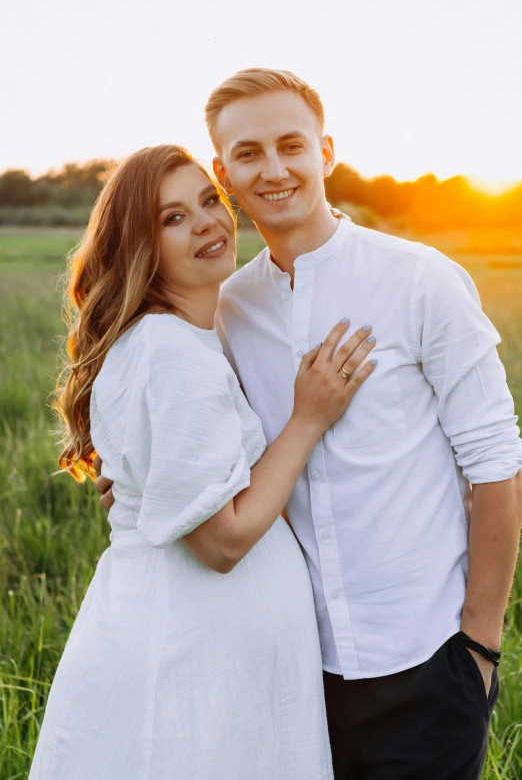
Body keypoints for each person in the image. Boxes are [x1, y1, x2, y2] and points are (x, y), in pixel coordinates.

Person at [207, 68, 522, 779]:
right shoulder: (227, 310)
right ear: (222, 172)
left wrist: (479, 642)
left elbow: (496, 460)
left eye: (292, 144)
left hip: (427, 661)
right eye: (249, 154)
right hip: (289, 667)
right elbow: (210, 450)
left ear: (327, 151)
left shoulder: (421, 279)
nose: (275, 168)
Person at [28, 144, 378, 780]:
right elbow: (222, 541)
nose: (207, 223)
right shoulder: (169, 350)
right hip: (189, 655)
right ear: (140, 247)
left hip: (214, 660)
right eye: (172, 219)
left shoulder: (192, 336)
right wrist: (309, 418)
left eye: (208, 201)